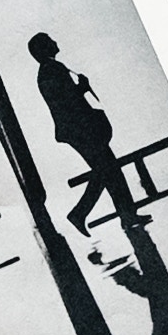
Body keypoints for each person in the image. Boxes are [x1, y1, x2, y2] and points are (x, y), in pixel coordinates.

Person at [29, 29, 140, 232]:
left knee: (106, 170)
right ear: (45, 48)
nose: (55, 40)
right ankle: (85, 213)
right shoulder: (53, 69)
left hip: (76, 131)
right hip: (82, 129)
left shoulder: (47, 71)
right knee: (108, 170)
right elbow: (69, 100)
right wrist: (83, 87)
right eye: (50, 40)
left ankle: (123, 215)